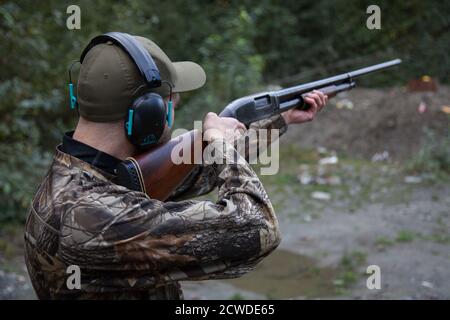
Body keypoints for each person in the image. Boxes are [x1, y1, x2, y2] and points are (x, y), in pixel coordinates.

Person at [24, 33, 327, 299]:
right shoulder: (90, 216)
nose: (173, 115)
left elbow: (195, 173)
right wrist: (219, 143)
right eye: (173, 105)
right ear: (148, 115)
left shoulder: (88, 176)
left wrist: (278, 120)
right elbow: (259, 226)